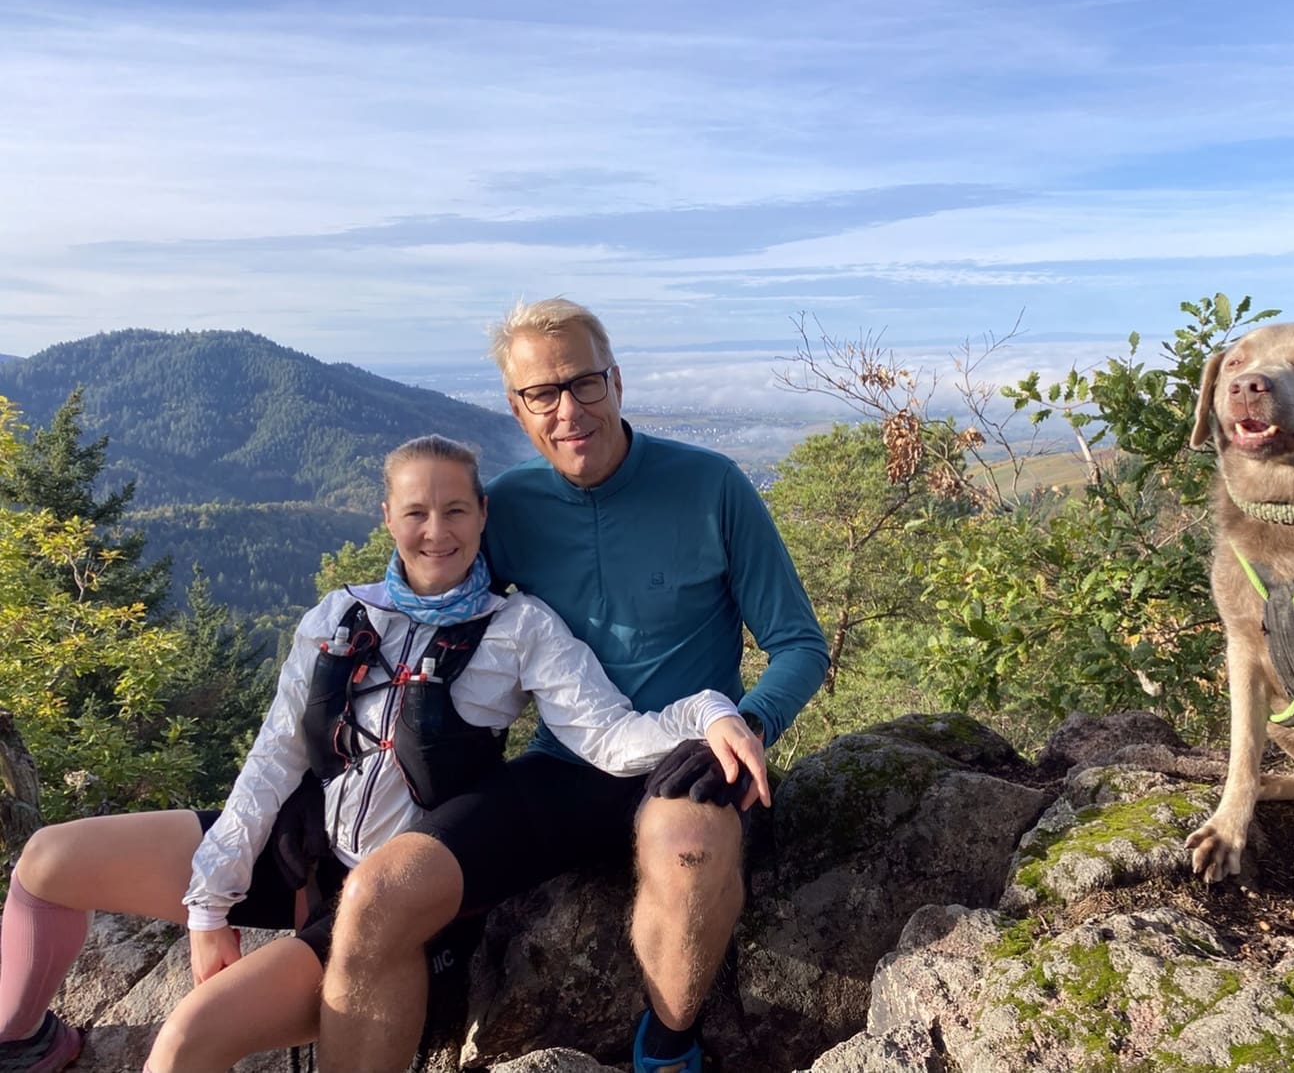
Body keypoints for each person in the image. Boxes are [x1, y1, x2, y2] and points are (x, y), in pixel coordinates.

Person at [0, 434, 766, 1073]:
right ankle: (23, 1040)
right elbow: (271, 761)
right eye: (416, 511)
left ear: (483, 514)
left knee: (186, 1040)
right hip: (307, 849)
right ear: (386, 517)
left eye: (456, 510)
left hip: (393, 899)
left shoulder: (519, 627)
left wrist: (708, 712)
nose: (437, 530)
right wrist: (211, 902)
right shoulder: (340, 616)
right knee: (48, 858)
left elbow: (606, 734)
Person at [317, 300, 828, 1073]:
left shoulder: (711, 486)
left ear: (615, 381)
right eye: (540, 394)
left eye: (583, 383)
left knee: (686, 843)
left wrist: (750, 723)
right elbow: (434, 608)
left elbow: (796, 642)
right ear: (516, 408)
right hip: (561, 767)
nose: (567, 410)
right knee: (380, 892)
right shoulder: (510, 508)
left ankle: (667, 1044)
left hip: (685, 758)